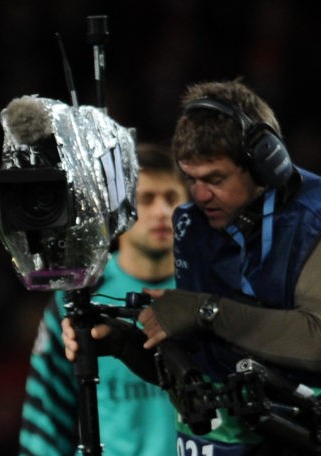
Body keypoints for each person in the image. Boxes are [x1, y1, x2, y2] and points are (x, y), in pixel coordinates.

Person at [64, 79, 321, 455]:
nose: (199, 195)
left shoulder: (314, 220)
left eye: (215, 179)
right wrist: (124, 343)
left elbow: (315, 341)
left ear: (266, 164)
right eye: (192, 178)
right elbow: (203, 374)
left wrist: (204, 311)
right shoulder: (193, 223)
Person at [18, 143, 188, 456]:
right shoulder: (81, 294)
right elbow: (46, 409)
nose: (162, 212)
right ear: (119, 210)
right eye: (147, 199)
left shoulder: (203, 291)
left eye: (172, 198)